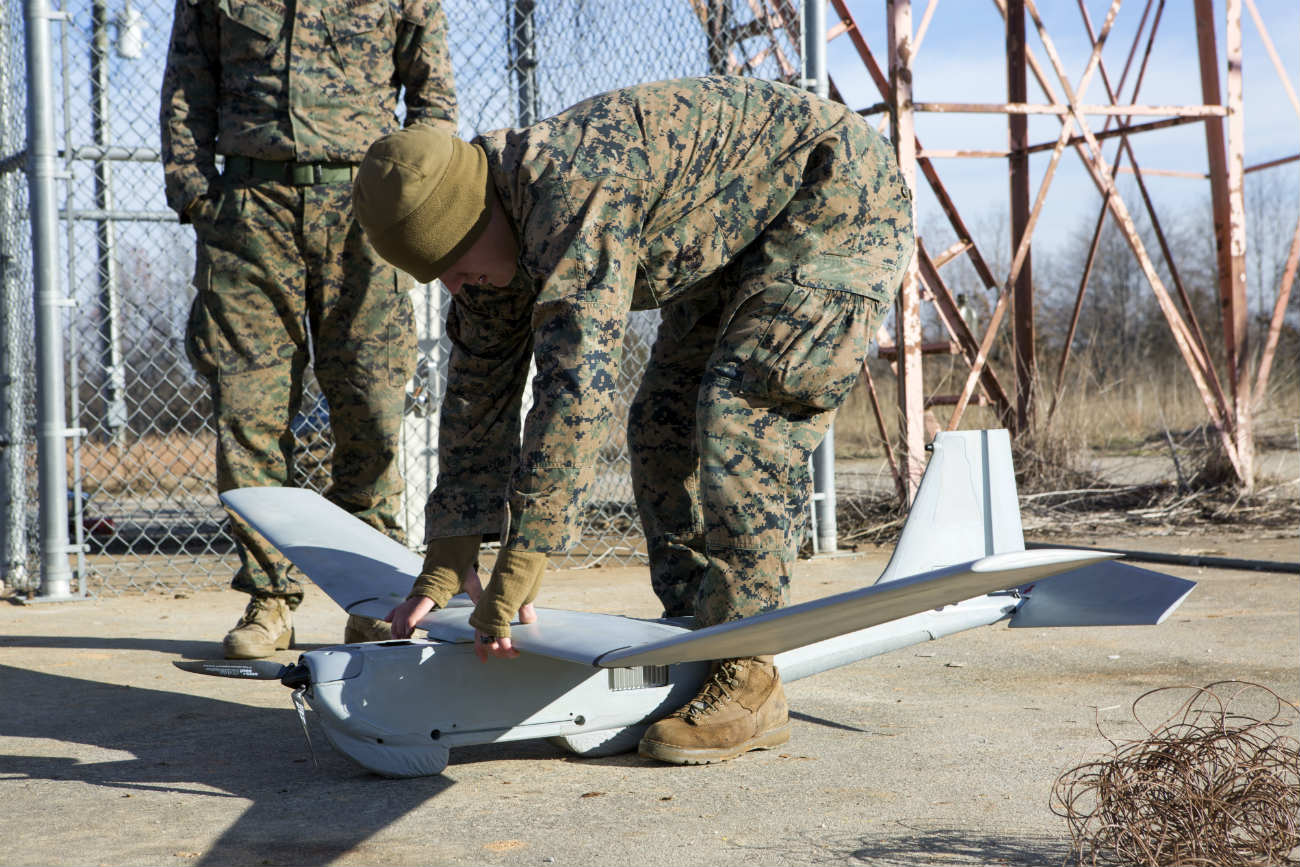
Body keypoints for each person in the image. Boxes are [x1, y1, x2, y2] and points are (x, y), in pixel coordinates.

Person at [354, 75, 914, 764]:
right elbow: (478, 396)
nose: (454, 285)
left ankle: (748, 664)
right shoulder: (489, 251)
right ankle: (693, 632)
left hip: (836, 198)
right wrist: (449, 553)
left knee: (739, 416)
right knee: (660, 423)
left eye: (456, 265)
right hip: (739, 234)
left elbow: (576, 389)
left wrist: (526, 552)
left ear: (478, 219)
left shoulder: (570, 190)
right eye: (435, 273)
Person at [159, 0, 458, 658]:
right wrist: (194, 192)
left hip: (364, 210)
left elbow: (432, 91)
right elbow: (187, 82)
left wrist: (414, 193)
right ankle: (269, 598)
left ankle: (374, 597)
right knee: (248, 412)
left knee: (372, 405)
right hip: (247, 213)